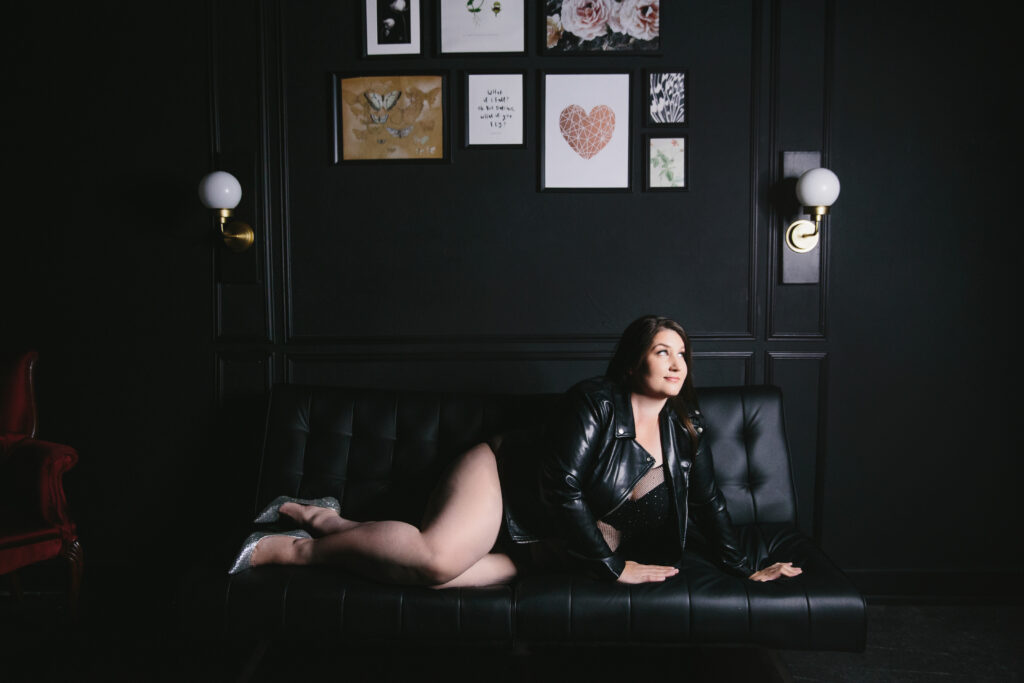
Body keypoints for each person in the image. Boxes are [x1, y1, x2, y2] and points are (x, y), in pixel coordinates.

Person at [229, 315, 802, 586]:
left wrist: (747, 569)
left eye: (683, 354)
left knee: (437, 579)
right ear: (634, 362)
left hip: (550, 542)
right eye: (662, 350)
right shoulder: (597, 401)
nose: (677, 362)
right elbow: (561, 486)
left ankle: (328, 519)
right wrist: (613, 566)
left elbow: (710, 506)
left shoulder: (685, 431)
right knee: (434, 560)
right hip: (505, 478)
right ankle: (294, 548)